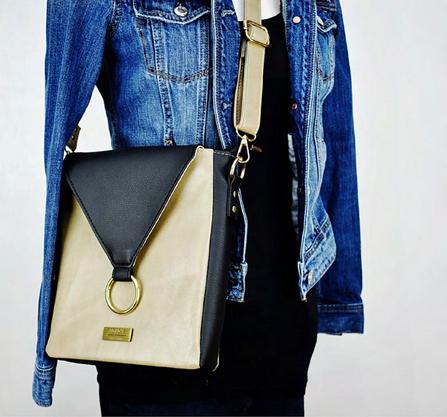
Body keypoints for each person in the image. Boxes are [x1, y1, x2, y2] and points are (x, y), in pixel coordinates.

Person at [33, 0, 364, 414]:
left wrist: (338, 293)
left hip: (282, 337)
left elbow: (334, 136)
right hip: (156, 336)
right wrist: (46, 351)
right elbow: (58, 148)